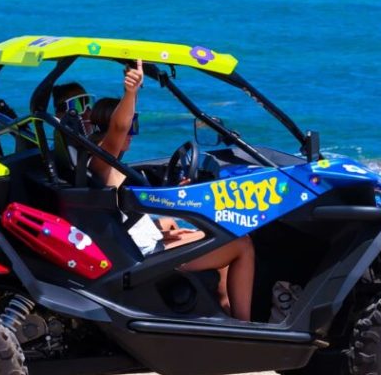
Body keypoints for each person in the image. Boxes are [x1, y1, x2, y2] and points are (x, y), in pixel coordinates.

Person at [83, 62, 256, 320]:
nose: (132, 133)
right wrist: (131, 92)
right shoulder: (100, 162)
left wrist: (164, 227)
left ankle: (225, 314)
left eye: (135, 125)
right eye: (132, 126)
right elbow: (117, 129)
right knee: (241, 243)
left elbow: (122, 215)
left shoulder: (101, 164)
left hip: (139, 243)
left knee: (208, 234)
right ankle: (246, 326)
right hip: (143, 258)